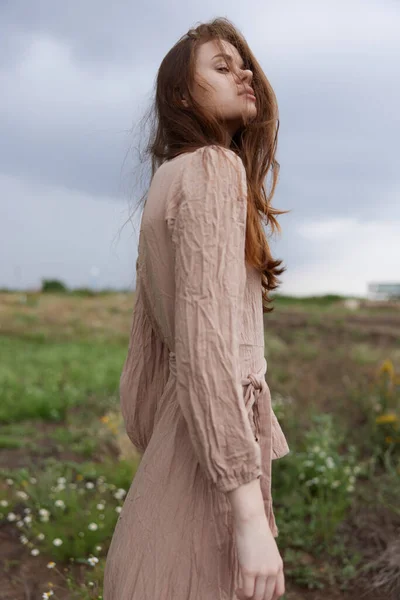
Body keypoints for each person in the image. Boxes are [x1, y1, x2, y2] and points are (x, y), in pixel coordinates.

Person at [103, 17, 290, 600]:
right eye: (220, 66)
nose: (244, 74)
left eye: (244, 65)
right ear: (183, 96)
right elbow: (206, 352)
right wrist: (248, 514)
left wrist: (171, 450)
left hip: (175, 463)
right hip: (210, 482)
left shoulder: (167, 181)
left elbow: (144, 366)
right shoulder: (213, 169)